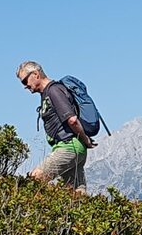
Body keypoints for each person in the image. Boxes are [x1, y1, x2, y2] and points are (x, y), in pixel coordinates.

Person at [16, 61, 96, 194]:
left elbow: (72, 120)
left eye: (25, 81)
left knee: (34, 181)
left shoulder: (54, 90)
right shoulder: (48, 93)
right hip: (74, 147)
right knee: (76, 194)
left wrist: (85, 139)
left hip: (68, 147)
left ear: (36, 74)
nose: (26, 86)